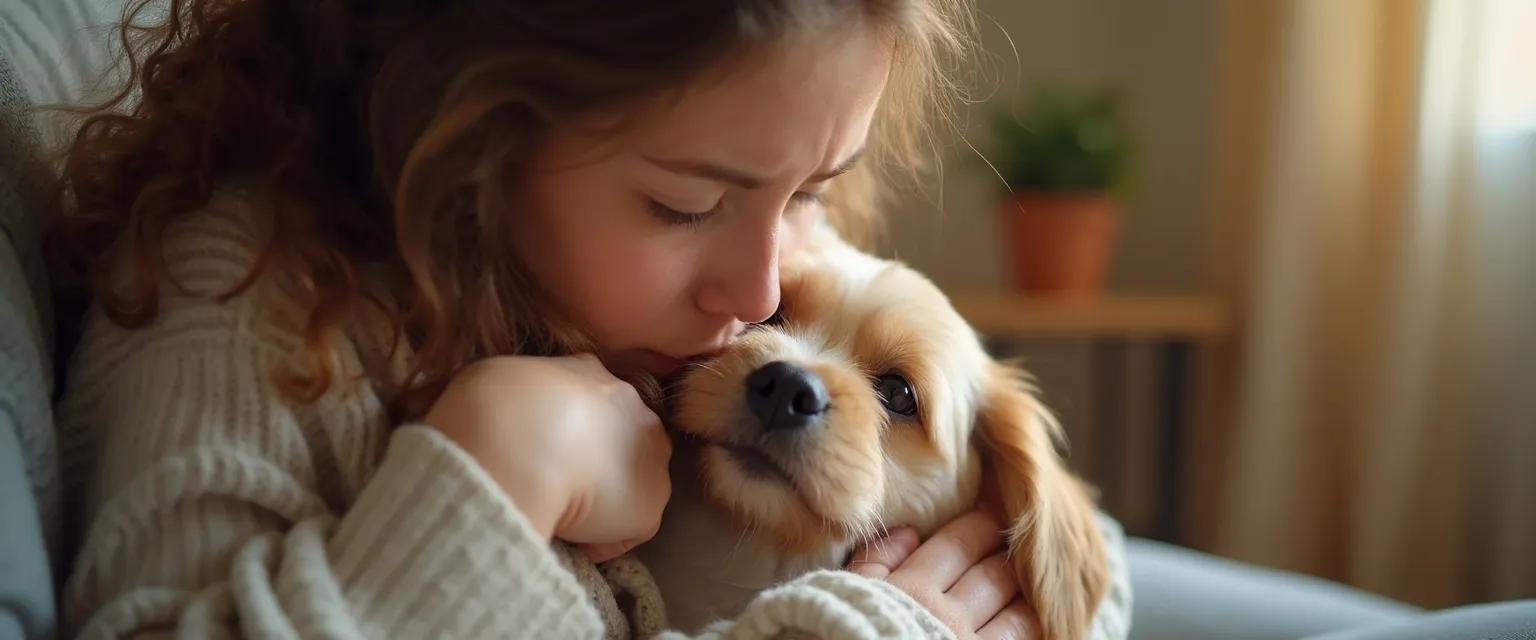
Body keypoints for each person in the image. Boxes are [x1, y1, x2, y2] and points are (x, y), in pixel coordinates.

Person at [45, 0, 1132, 638]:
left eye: (811, 193)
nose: (760, 300)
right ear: (467, 128)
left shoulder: (675, 316)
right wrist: (498, 474)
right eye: (685, 203)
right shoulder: (252, 300)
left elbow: (1086, 575)